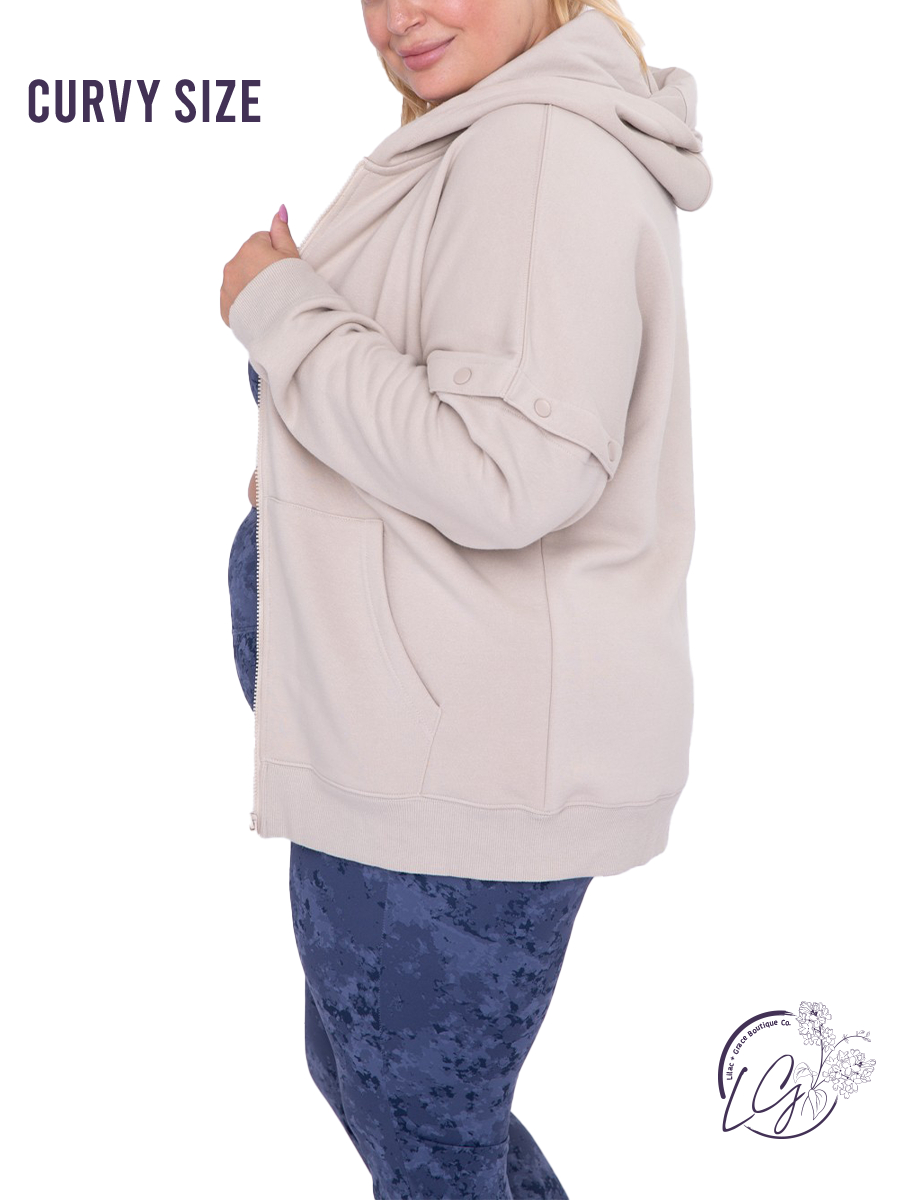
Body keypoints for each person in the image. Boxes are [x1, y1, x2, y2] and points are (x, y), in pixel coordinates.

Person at [222, 2, 712, 1195]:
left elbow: (511, 475)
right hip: (426, 758)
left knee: (430, 1150)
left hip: (451, 773)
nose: (402, 15)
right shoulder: (497, 132)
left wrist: (280, 306)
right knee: (406, 1114)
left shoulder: (536, 149)